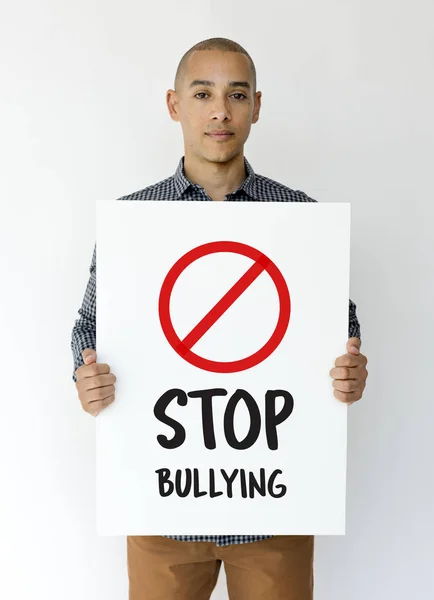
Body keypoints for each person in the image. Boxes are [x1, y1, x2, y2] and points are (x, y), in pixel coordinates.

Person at [71, 37, 369, 600]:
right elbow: (89, 328)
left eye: (236, 95)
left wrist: (349, 371)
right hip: (163, 509)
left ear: (257, 106)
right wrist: (84, 376)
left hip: (272, 510)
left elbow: (341, 326)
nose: (219, 110)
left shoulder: (300, 217)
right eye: (202, 92)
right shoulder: (133, 221)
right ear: (173, 103)